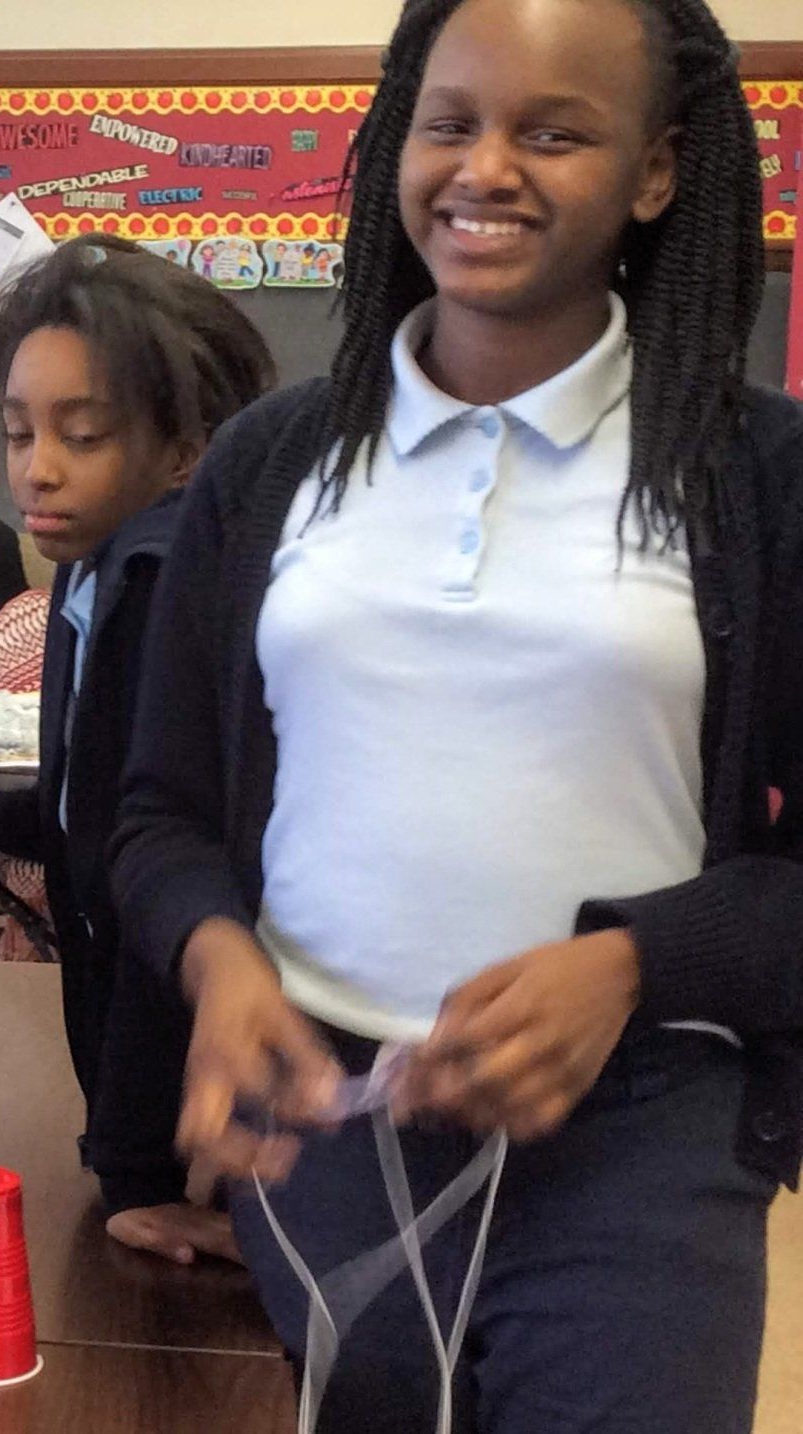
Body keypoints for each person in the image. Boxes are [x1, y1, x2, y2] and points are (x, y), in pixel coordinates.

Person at [110, 0, 802, 1427]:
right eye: (450, 122)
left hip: (638, 1127)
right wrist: (220, 959)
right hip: (332, 1119)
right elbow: (157, 811)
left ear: (657, 172)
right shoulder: (273, 464)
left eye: (554, 133)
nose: (485, 168)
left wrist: (631, 961)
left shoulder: (759, 481)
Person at [0, 236, 274, 1261]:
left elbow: (145, 867)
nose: (36, 469)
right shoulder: (87, 574)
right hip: (144, 1100)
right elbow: (82, 806)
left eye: (81, 436)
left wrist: (135, 1165)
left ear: (186, 450)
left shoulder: (160, 577)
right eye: (17, 432)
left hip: (203, 1117)